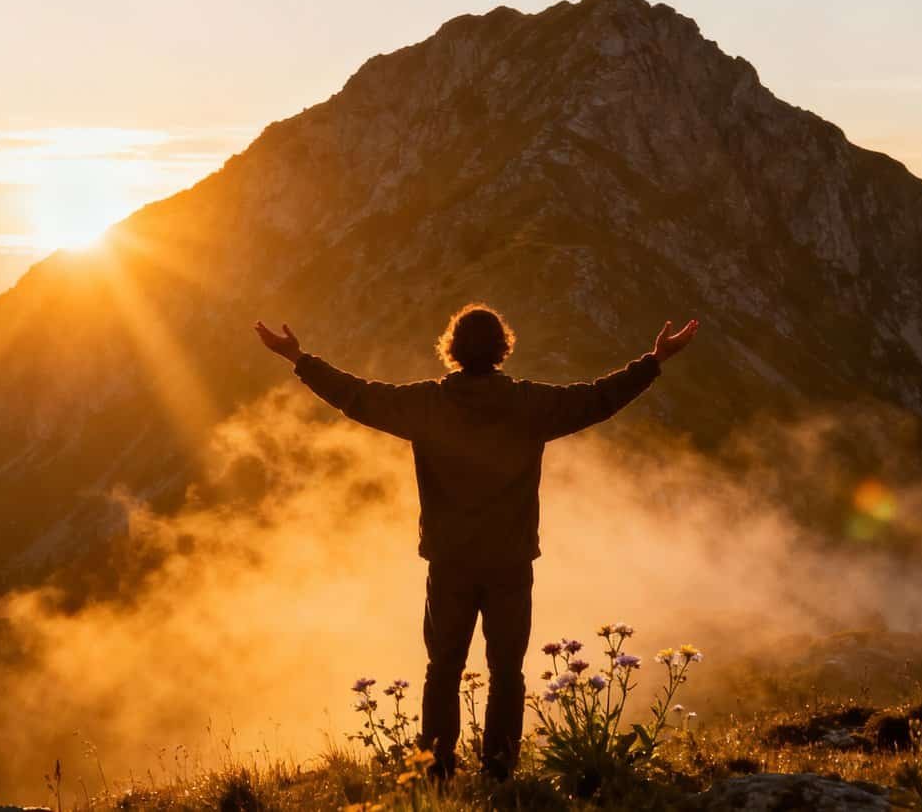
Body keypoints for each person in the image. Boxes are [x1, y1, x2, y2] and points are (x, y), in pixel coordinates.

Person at [253, 304, 698, 779]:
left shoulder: (427, 405)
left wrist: (299, 359)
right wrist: (653, 360)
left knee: (442, 669)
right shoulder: (529, 405)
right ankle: (499, 771)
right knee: (507, 673)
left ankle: (437, 773)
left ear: (453, 349)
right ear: (503, 348)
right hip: (510, 563)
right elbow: (598, 398)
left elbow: (356, 396)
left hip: (449, 564)